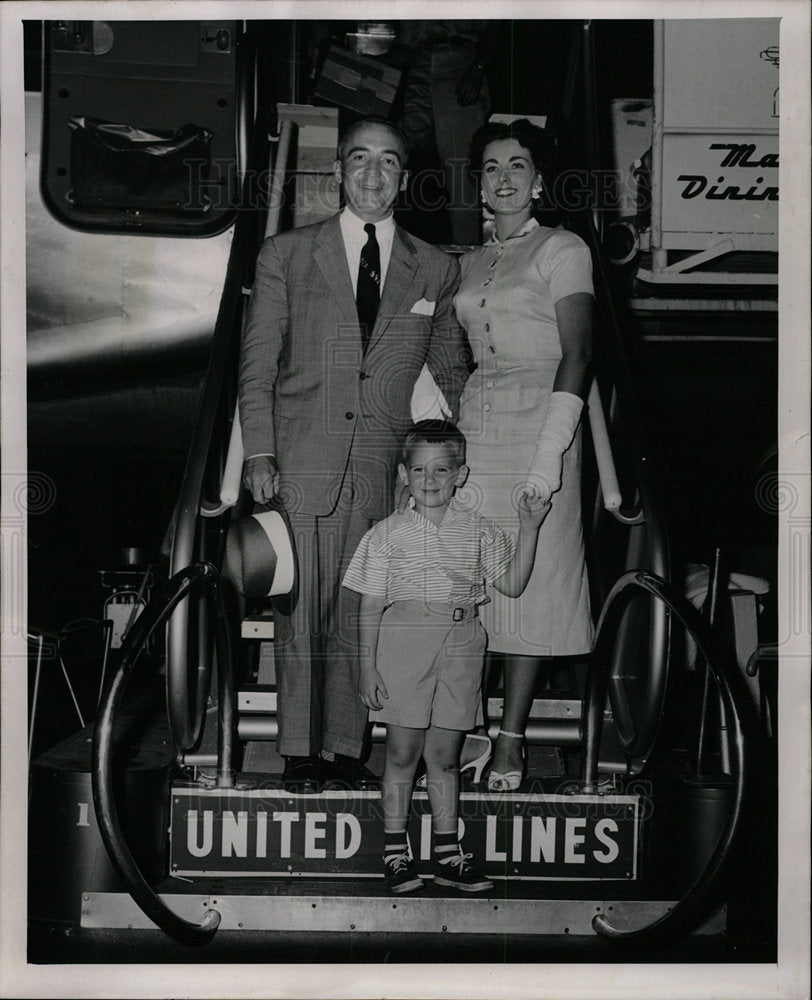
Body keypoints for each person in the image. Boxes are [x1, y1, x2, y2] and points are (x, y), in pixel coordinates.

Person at [239, 117, 472, 793]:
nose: (373, 176)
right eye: (360, 161)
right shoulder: (286, 254)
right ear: (338, 171)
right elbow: (257, 366)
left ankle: (346, 747)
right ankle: (298, 751)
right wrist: (259, 451)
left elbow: (449, 373)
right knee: (300, 610)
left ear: (405, 176)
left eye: (389, 163)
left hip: (379, 465)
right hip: (301, 455)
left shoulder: (435, 267)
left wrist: (431, 464)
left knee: (361, 606)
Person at [343, 420, 551, 893]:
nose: (430, 479)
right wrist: (367, 665)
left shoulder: (479, 530)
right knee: (401, 753)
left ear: (461, 474)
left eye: (442, 469)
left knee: (446, 757)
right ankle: (395, 852)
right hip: (404, 640)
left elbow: (513, 584)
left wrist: (530, 526)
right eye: (419, 470)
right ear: (403, 474)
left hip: (461, 644)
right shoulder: (386, 535)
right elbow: (370, 604)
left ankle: (447, 853)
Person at [454, 118, 594, 791]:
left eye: (517, 165)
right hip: (476, 434)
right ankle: (464, 730)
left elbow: (580, 352)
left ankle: (510, 742)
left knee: (531, 591)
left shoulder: (563, 248)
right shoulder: (470, 260)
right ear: (478, 183)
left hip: (543, 428)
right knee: (469, 586)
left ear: (538, 181)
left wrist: (550, 457)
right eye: (490, 167)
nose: (503, 177)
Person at [398, 21, 495, 246]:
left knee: (461, 172)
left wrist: (478, 69)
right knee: (415, 164)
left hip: (459, 62)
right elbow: (402, 45)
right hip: (419, 62)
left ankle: (467, 256)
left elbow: (496, 28)